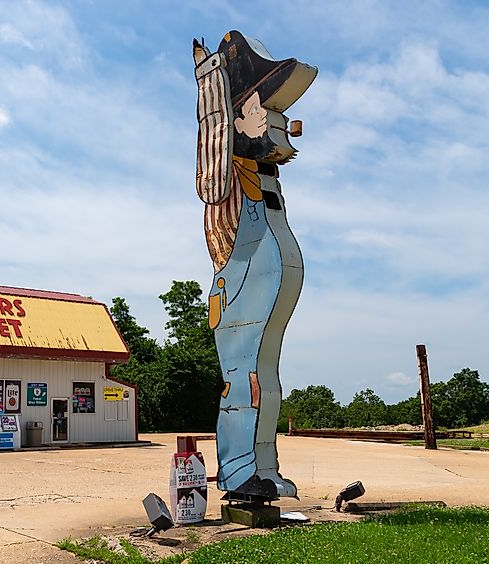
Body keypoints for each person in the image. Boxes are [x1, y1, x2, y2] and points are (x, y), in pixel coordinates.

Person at [193, 30, 316, 499]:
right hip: (239, 286)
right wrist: (211, 81)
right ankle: (240, 469)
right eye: (256, 109)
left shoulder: (263, 177)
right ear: (232, 120)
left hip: (265, 283)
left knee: (268, 378)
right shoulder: (222, 179)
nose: (270, 118)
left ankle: (264, 465)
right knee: (244, 380)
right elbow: (210, 146)